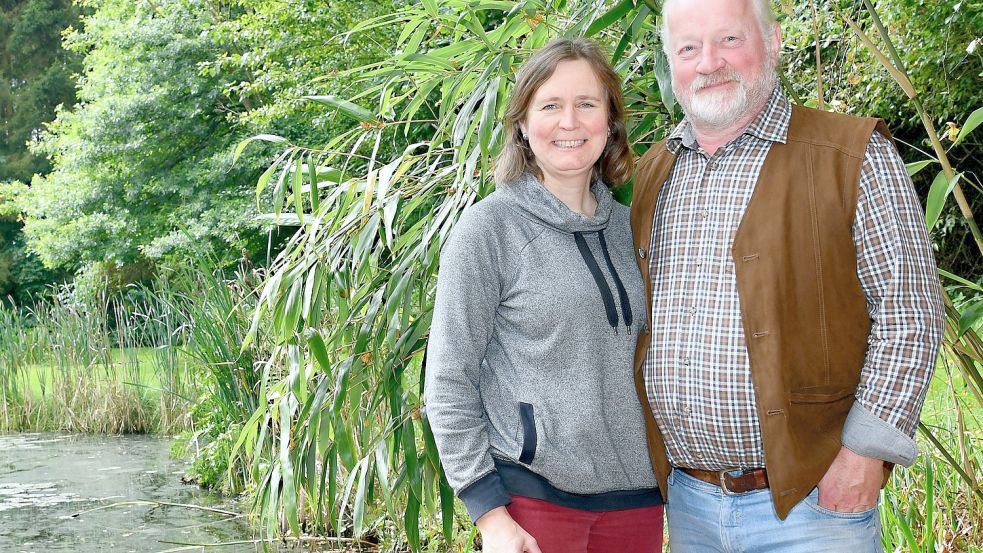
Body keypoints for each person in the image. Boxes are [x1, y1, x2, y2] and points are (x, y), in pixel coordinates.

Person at [629, 0, 945, 551]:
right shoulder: (656, 169)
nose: (709, 63)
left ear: (772, 41)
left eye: (730, 40)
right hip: (689, 506)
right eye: (689, 48)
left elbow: (910, 310)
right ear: (670, 62)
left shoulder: (851, 153)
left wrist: (864, 456)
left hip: (813, 507)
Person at [424, 38, 664, 553]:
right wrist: (489, 513)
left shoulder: (634, 231)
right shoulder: (488, 230)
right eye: (551, 105)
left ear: (611, 122)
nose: (569, 122)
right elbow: (448, 380)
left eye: (587, 104)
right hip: (532, 503)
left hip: (637, 501)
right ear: (523, 124)